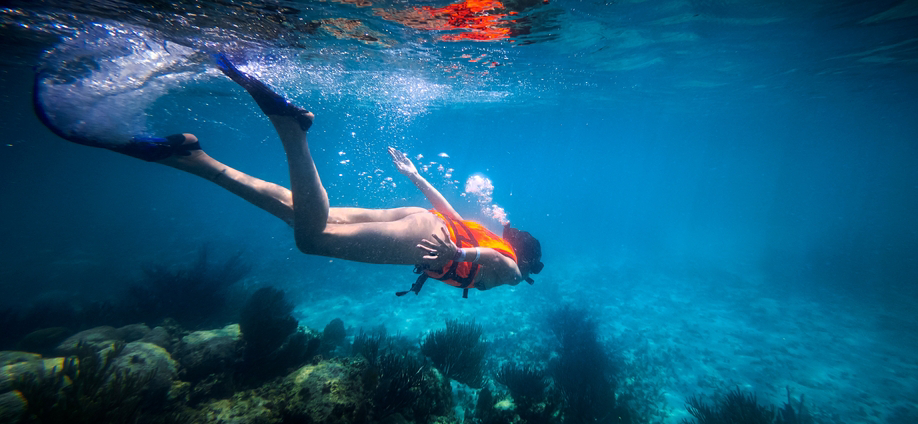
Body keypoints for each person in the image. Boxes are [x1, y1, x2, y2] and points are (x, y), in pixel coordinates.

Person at [33, 55, 543, 297]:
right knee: (312, 240)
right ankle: (292, 130)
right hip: (431, 242)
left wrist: (415, 177)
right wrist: (458, 256)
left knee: (296, 209)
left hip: (425, 220)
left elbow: (453, 212)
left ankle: (193, 159)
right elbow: (494, 263)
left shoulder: (493, 239)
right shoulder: (514, 270)